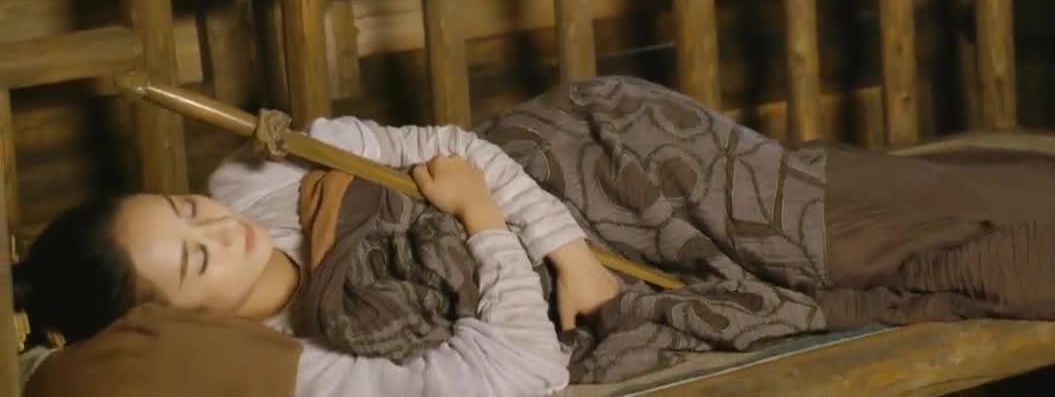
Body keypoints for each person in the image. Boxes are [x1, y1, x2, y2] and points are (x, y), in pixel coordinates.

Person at [15, 117, 625, 397]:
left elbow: (446, 147)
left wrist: (567, 248)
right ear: (173, 326)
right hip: (523, 267)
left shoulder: (250, 181)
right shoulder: (297, 357)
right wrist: (479, 214)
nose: (223, 229)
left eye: (188, 208)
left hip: (546, 176)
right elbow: (525, 374)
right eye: (197, 261)